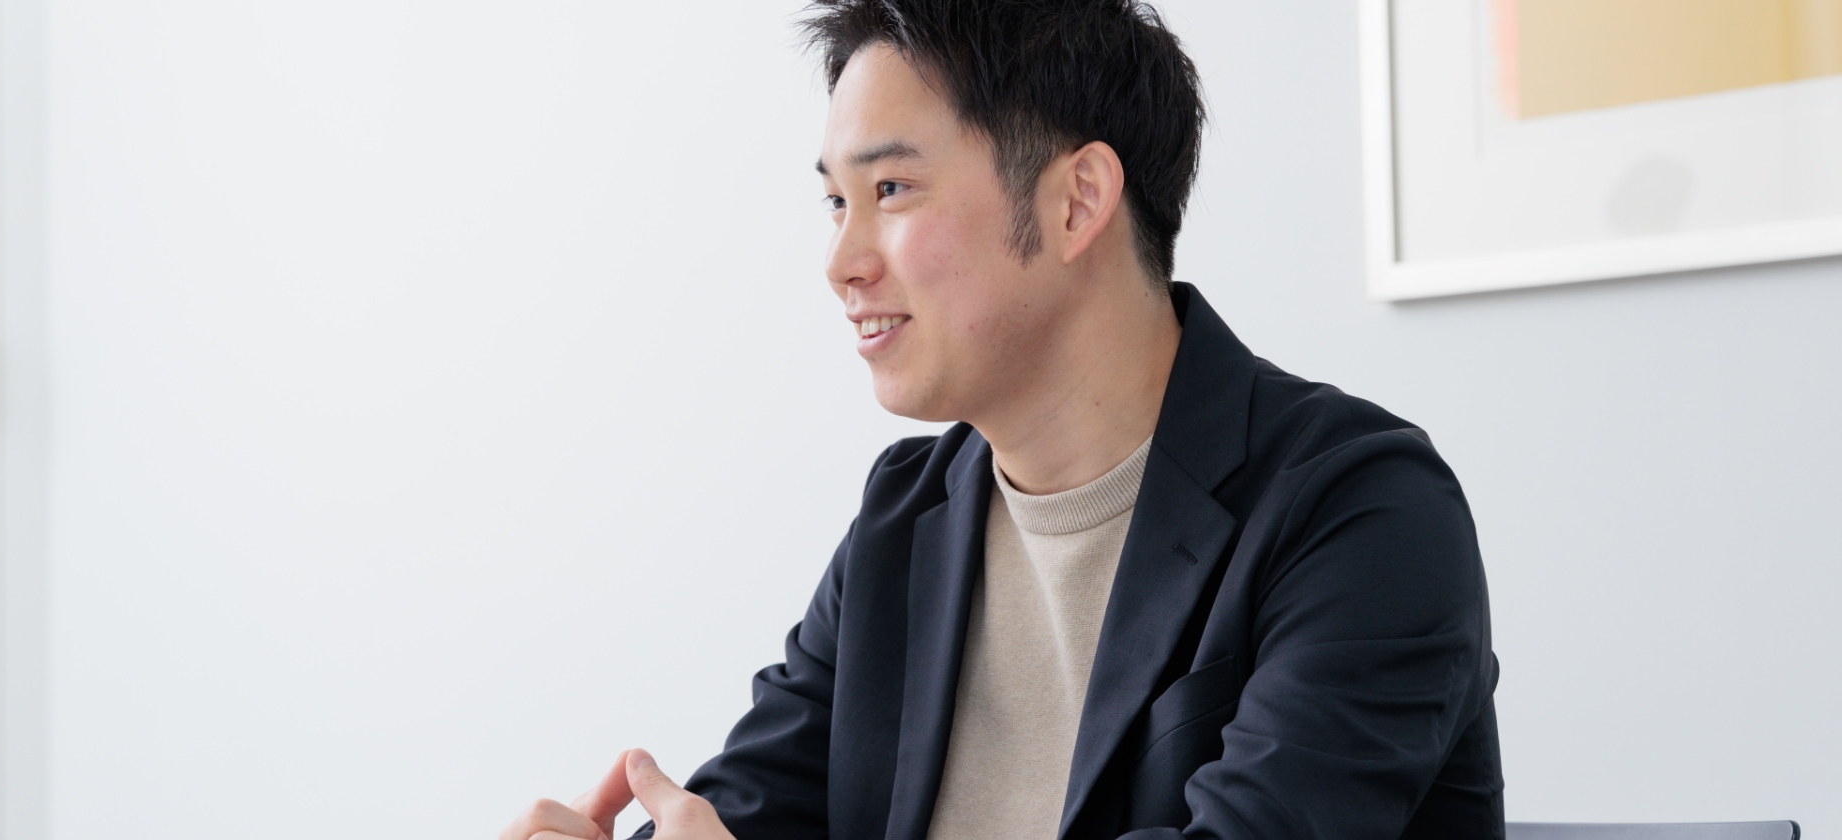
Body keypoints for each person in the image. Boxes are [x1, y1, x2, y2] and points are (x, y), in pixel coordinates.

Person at [499, 1, 1503, 838]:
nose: (842, 263)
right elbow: (750, 815)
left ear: (1077, 202)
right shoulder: (906, 517)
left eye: (892, 189)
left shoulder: (1362, 512)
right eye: (836, 202)